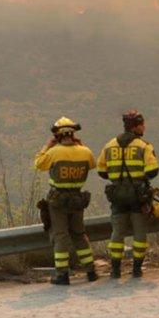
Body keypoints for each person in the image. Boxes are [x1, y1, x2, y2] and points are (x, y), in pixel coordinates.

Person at [34, 117, 97, 285]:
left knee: (60, 236)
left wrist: (47, 147)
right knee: (79, 235)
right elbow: (92, 164)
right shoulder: (85, 151)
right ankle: (91, 270)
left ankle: (63, 274)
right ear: (73, 134)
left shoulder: (54, 152)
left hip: (58, 201)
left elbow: (38, 164)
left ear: (58, 136)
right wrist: (81, 145)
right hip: (77, 199)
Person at [97, 110, 159, 278]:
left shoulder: (109, 145)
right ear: (137, 126)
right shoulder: (144, 146)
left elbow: (102, 172)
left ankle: (115, 270)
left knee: (117, 232)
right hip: (138, 196)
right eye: (142, 124)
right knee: (139, 233)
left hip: (117, 195)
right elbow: (153, 171)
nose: (144, 127)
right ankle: (136, 270)